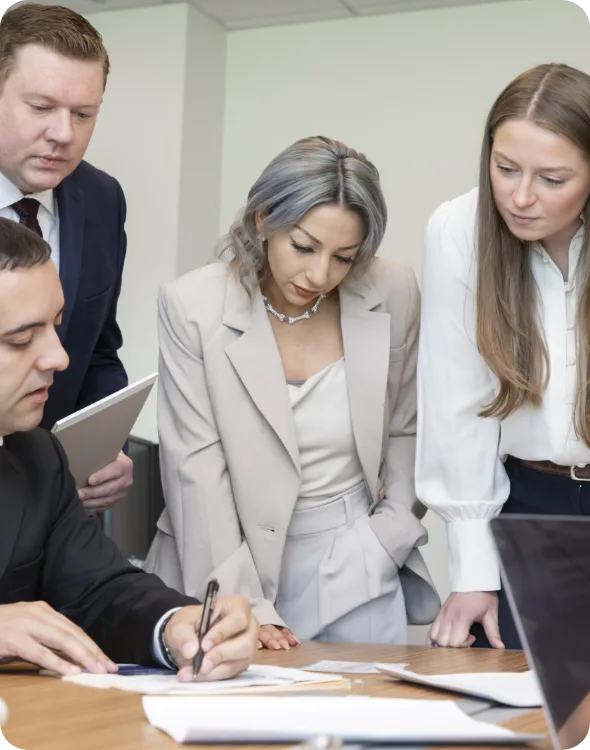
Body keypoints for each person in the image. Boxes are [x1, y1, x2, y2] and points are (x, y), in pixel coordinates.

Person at [145, 135, 440, 650]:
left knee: (364, 721)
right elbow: (195, 471)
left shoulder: (394, 289)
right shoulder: (193, 305)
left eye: (344, 258)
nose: (319, 275)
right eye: (303, 247)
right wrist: (244, 604)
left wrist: (386, 537)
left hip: (357, 560)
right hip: (220, 558)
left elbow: (408, 427)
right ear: (263, 219)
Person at [0, 217, 257, 679]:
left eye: (57, 327)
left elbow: (97, 590)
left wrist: (176, 625)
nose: (59, 358)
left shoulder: (38, 458)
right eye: (21, 339)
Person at [416, 63, 590, 649]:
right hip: (530, 506)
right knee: (526, 721)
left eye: (553, 179)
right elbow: (457, 404)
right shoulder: (459, 230)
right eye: (506, 168)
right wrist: (471, 572)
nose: (520, 197)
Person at [0, 4, 132, 513]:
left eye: (83, 114)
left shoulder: (103, 199)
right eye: (41, 108)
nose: (64, 134)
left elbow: (98, 348)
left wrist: (110, 446)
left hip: (61, 497)